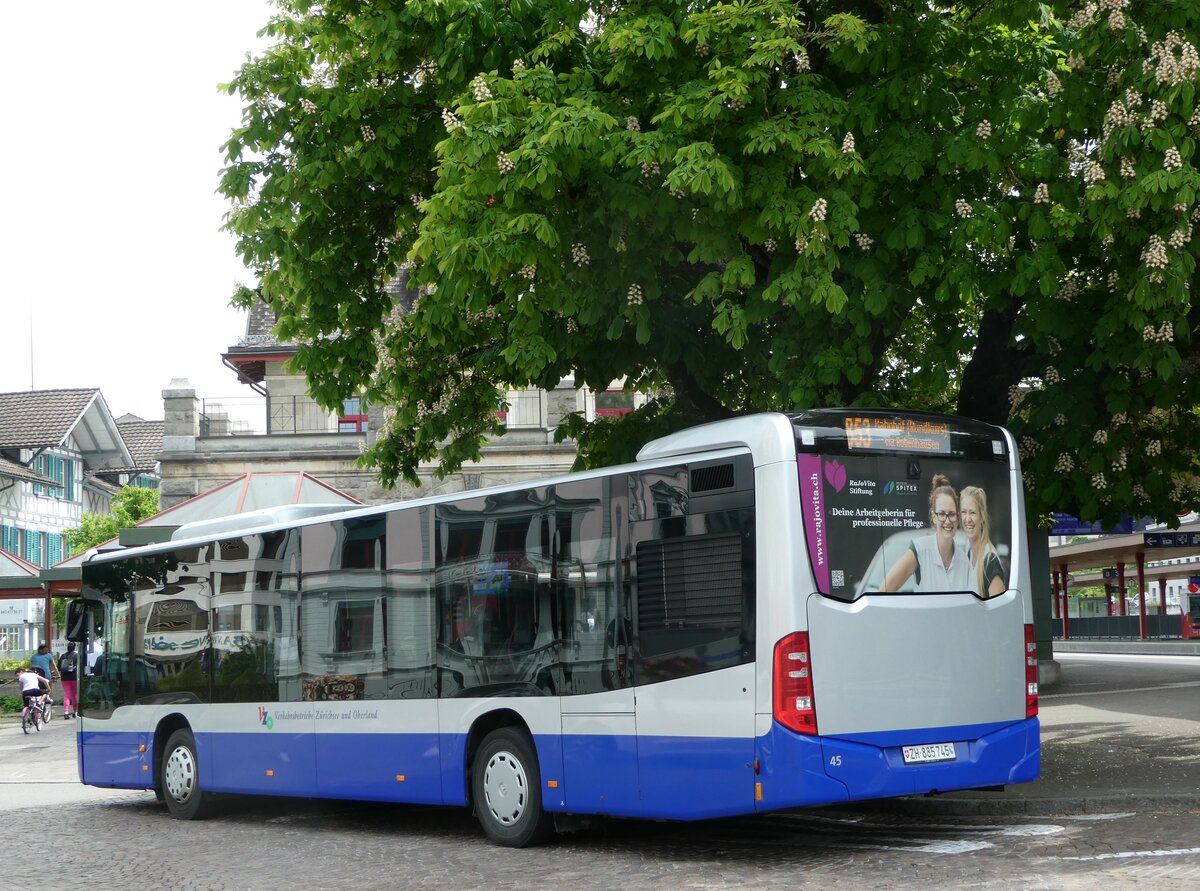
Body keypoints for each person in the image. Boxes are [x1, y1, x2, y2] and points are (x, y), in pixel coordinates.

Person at [881, 474, 974, 592]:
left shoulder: (965, 562)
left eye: (951, 514)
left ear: (958, 517)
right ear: (933, 516)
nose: (947, 521)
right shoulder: (919, 550)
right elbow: (885, 588)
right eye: (941, 514)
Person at [960, 485, 1007, 598]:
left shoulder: (990, 561)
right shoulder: (969, 554)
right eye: (964, 512)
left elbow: (999, 606)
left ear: (982, 517)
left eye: (972, 513)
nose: (967, 519)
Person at [57, 641, 80, 718]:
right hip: (74, 677)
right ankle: (75, 711)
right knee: (74, 695)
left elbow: (58, 667)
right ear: (74, 647)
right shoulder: (76, 656)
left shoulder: (63, 656)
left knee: (67, 695)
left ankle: (66, 712)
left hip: (64, 678)